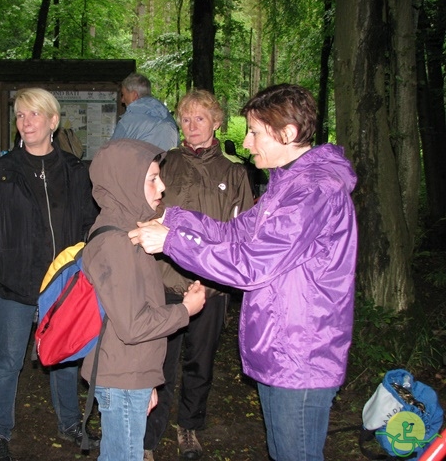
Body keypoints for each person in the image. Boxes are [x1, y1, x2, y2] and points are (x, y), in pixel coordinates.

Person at [129, 84, 358, 461]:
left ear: (286, 134)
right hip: (279, 348)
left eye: (254, 132)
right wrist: (172, 217)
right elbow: (233, 231)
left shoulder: (313, 192)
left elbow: (251, 264)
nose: (248, 143)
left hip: (300, 355)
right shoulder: (286, 186)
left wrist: (170, 243)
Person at [0, 87, 100, 461]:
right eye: (21, 115)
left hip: (62, 288)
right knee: (8, 360)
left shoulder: (76, 171)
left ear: (53, 121)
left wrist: (84, 272)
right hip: (16, 287)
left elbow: (92, 227)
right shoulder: (5, 171)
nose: (26, 122)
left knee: (64, 357)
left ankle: (70, 422)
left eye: (34, 114)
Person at [143, 90, 254, 461]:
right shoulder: (164, 164)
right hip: (164, 281)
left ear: (216, 122)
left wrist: (220, 280)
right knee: (159, 362)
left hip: (211, 286)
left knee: (199, 363)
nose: (192, 126)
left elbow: (244, 234)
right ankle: (149, 437)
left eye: (200, 119)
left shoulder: (235, 172)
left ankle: (188, 428)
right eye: (186, 119)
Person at [80, 138, 206, 461]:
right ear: (125, 182)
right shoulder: (115, 243)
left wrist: (148, 380)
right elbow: (134, 325)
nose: (162, 186)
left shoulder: (132, 231)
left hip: (131, 374)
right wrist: (185, 311)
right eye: (152, 178)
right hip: (122, 379)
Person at [110, 73, 179, 150]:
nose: (122, 100)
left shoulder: (128, 121)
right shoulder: (168, 118)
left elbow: (110, 154)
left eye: (123, 94)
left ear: (134, 95)